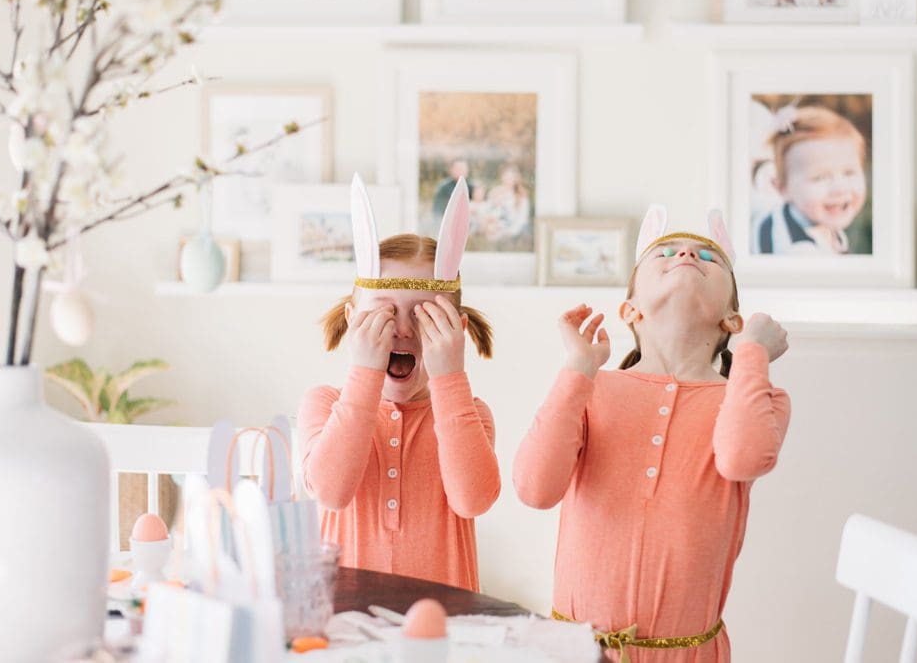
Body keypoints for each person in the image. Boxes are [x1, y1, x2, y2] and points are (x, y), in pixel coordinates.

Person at [514, 205, 791, 661]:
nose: (686, 253)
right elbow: (534, 488)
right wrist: (579, 367)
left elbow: (742, 457)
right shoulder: (590, 387)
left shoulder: (757, 397)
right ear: (631, 310)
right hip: (573, 649)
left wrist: (752, 356)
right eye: (665, 251)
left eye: (709, 256)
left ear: (732, 320)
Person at [297, 175, 499, 590]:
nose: (402, 331)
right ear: (354, 322)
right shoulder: (324, 404)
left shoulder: (470, 414)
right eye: (384, 316)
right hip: (346, 632)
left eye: (426, 316)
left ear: (455, 330)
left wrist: (450, 377)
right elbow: (331, 492)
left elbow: (473, 499)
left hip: (444, 635)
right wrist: (363, 376)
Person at [754, 104, 868, 255]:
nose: (840, 188)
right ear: (782, 188)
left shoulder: (815, 217)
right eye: (820, 178)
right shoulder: (801, 253)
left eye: (849, 173)